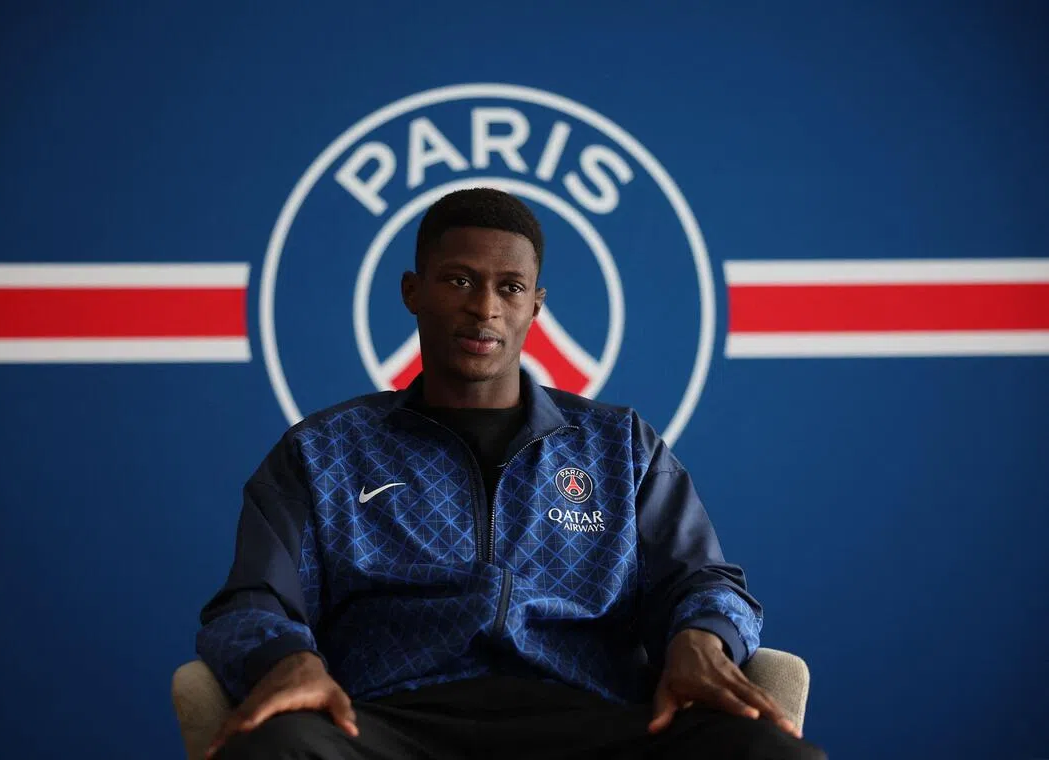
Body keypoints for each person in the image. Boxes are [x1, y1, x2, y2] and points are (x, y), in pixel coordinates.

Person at [195, 188, 826, 760]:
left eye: (510, 287)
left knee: (771, 755)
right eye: (460, 281)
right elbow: (250, 603)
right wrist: (286, 658)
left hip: (596, 721)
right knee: (270, 751)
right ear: (412, 291)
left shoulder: (620, 445)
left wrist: (700, 637)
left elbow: (706, 581)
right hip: (387, 726)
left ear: (536, 304)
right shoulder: (324, 452)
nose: (485, 309)